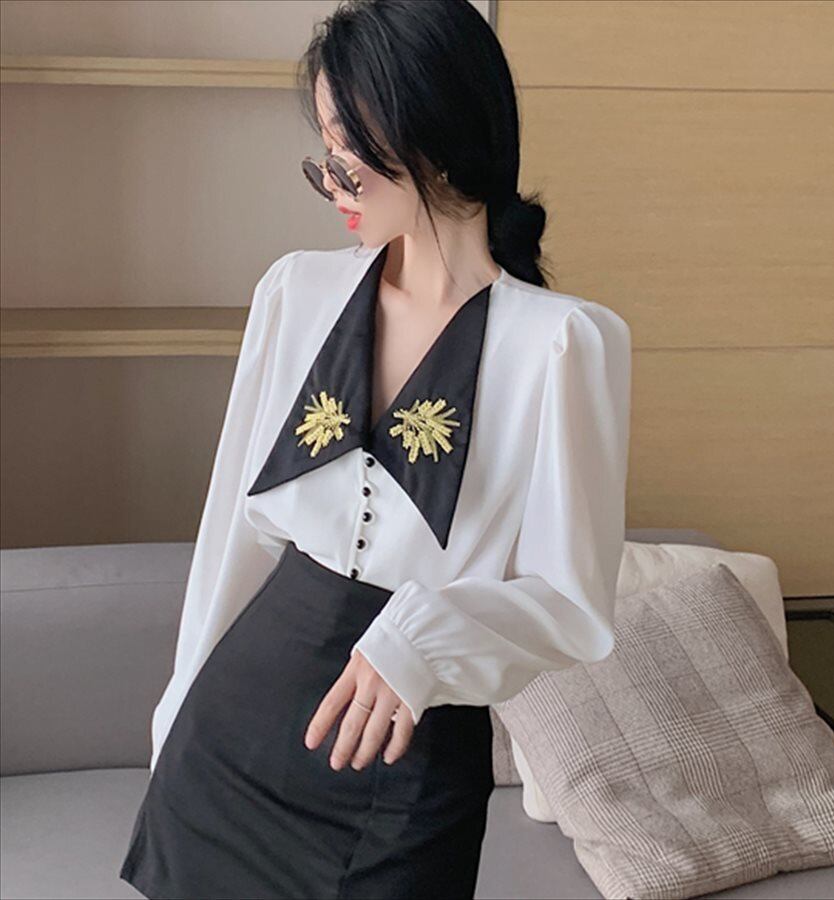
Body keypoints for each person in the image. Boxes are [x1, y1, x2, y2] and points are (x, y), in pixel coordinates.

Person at [118, 1, 631, 898]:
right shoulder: (296, 293)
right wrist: (177, 708)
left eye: (346, 150)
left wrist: (424, 639)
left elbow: (573, 604)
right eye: (323, 151)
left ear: (431, 132)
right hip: (236, 728)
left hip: (409, 751)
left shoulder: (562, 343)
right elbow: (235, 534)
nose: (332, 180)